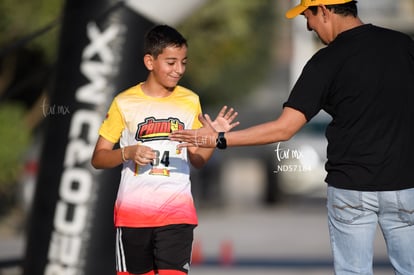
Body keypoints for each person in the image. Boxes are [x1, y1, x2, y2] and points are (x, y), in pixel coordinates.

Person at [170, 1, 414, 274]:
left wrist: (220, 139)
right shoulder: (403, 45)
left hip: (351, 188)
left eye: (308, 15)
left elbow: (283, 129)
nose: (309, 25)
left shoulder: (326, 60)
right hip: (405, 185)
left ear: (324, 9)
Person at [91, 24, 239, 275]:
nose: (179, 70)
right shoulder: (123, 102)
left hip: (177, 216)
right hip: (132, 218)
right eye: (171, 63)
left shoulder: (190, 100)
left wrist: (214, 137)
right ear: (150, 61)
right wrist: (127, 152)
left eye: (184, 62)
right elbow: (99, 158)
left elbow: (198, 159)